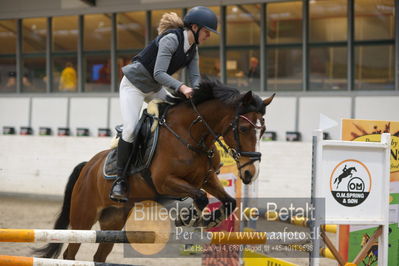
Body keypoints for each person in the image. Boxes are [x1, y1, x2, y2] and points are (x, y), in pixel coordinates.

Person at [110, 6, 218, 202]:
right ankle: (120, 180)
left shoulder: (193, 49)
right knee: (130, 129)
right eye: (207, 31)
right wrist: (183, 89)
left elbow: (195, 78)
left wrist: (200, 97)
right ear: (194, 27)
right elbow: (159, 73)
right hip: (133, 86)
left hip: (154, 88)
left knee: (174, 118)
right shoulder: (171, 39)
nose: (209, 35)